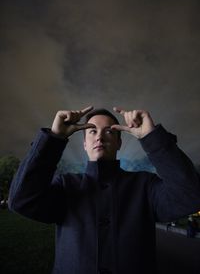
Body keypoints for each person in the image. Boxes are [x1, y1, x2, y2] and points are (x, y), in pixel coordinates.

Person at [8, 106, 200, 274]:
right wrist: (54, 138)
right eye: (92, 131)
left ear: (119, 143)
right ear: (84, 144)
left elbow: (190, 196)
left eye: (108, 131)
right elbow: (21, 200)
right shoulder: (66, 185)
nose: (99, 136)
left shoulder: (144, 185)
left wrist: (152, 138)